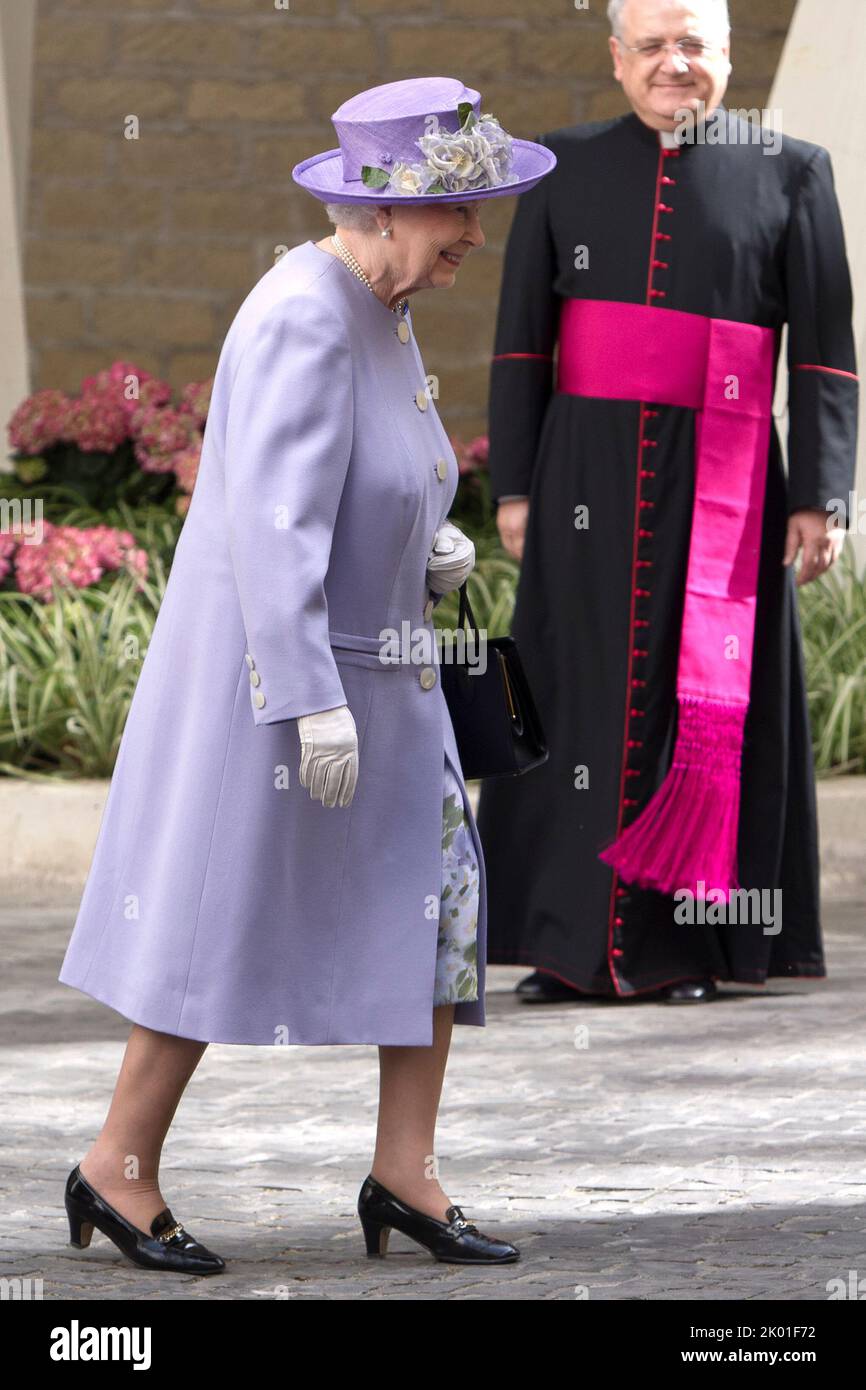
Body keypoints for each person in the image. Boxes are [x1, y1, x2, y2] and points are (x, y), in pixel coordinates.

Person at [57, 75, 556, 1273]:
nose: (474, 237)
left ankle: (405, 1173)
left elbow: (374, 476)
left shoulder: (378, 306)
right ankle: (115, 1165)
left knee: (440, 905)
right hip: (291, 694)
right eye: (457, 212)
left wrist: (422, 546)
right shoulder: (302, 310)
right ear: (383, 213)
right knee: (209, 919)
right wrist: (308, 702)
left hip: (389, 684)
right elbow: (267, 526)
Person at [477, 0, 858, 1005]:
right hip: (580, 475)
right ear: (615, 60)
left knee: (698, 702)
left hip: (722, 472)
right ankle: (561, 942)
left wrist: (822, 496)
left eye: (692, 44)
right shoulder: (559, 166)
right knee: (574, 691)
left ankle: (686, 943)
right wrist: (512, 485)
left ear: (726, 57)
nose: (672, 64)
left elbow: (823, 350)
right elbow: (523, 339)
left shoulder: (791, 169)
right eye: (650, 45)